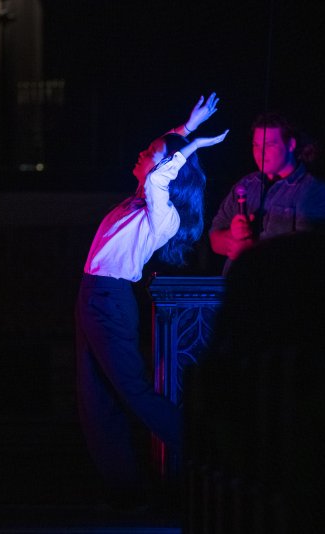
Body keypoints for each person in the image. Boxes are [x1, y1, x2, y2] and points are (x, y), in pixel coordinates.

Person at [76, 93, 228, 508]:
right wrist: (187, 126)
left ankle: (208, 450)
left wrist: (191, 145)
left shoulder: (165, 215)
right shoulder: (142, 197)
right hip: (93, 296)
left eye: (150, 153)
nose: (143, 152)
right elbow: (162, 160)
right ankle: (125, 489)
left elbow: (163, 174)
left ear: (165, 170)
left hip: (109, 300)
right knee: (95, 400)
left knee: (134, 392)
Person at [209, 111, 325, 274]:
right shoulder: (246, 185)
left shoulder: (313, 191)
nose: (260, 153)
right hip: (236, 290)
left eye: (269, 145)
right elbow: (215, 240)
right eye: (256, 145)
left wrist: (251, 250)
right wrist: (232, 236)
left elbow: (310, 255)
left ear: (291, 144)